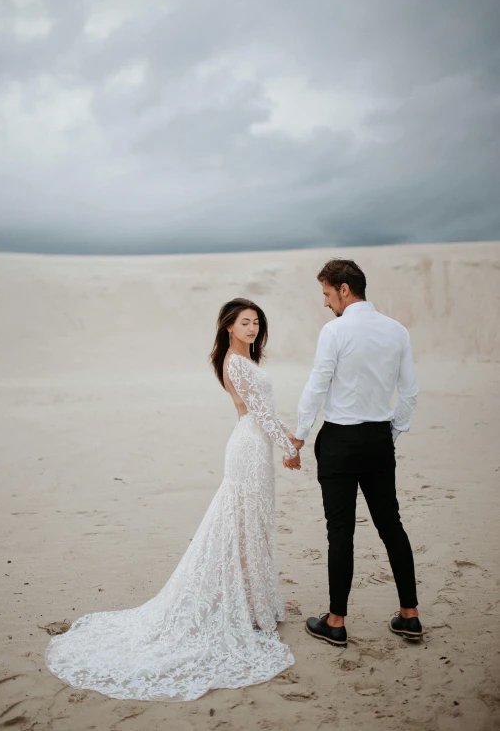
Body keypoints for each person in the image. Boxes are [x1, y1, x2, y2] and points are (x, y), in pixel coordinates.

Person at [45, 298, 300, 701]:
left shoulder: (248, 362)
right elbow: (258, 413)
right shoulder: (234, 362)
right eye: (244, 322)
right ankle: (247, 607)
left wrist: (288, 435)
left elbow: (266, 410)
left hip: (256, 446)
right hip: (250, 447)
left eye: (256, 322)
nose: (252, 328)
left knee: (256, 522)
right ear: (229, 327)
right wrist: (288, 446)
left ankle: (255, 604)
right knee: (241, 522)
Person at [291, 259, 422, 647]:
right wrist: (391, 432)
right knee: (391, 525)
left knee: (340, 532)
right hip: (379, 442)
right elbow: (410, 392)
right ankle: (410, 617)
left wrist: (299, 434)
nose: (326, 302)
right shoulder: (397, 331)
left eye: (327, 294)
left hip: (339, 443)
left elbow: (317, 386)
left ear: (344, 289)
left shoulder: (334, 331)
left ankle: (336, 622)